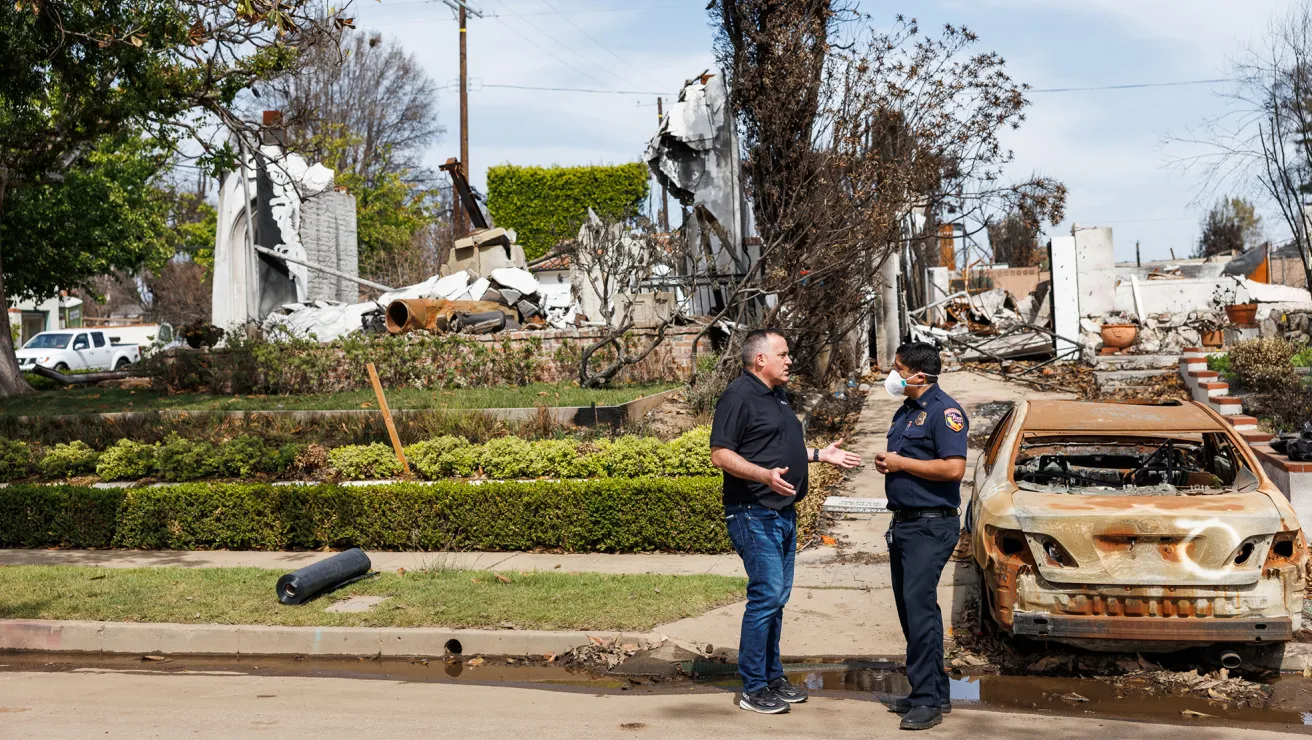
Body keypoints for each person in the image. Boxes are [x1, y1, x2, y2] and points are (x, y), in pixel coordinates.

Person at [709, 328, 862, 714]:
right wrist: (762, 475)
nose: (790, 360)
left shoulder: (776, 394)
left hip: (782, 513)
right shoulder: (738, 396)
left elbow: (775, 445)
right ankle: (754, 687)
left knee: (777, 599)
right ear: (760, 359)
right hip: (752, 511)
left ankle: (772, 676)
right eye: (784, 353)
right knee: (766, 596)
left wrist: (816, 455)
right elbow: (720, 454)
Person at [874, 342, 968, 731]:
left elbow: (953, 469)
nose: (892, 375)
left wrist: (899, 463)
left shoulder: (944, 412)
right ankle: (933, 691)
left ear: (919, 375)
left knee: (920, 611)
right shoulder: (906, 412)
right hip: (907, 524)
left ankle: (927, 700)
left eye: (897, 368)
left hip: (931, 526)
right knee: (914, 612)